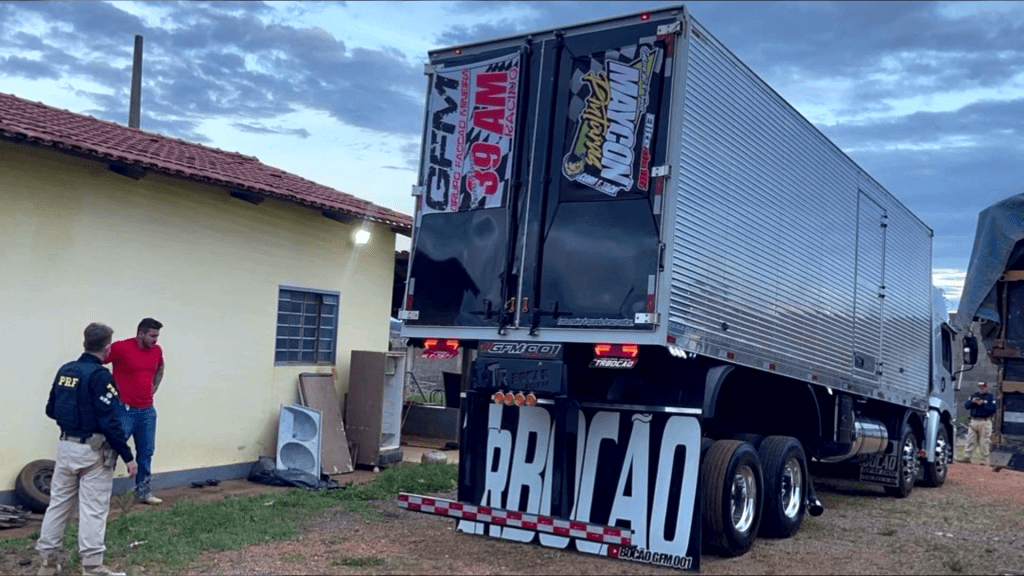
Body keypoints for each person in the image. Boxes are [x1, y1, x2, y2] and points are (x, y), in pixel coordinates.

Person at [36, 322, 137, 576]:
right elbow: (110, 421)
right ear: (107, 347)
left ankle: (47, 563)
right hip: (94, 452)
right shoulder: (100, 376)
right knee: (93, 509)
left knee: (58, 504)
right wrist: (128, 456)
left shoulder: (66, 370)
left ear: (85, 342)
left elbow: (51, 409)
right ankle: (92, 567)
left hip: (66, 446)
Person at [104, 317, 164, 504]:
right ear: (141, 333)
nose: (155, 340)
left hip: (147, 410)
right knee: (112, 449)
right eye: (152, 336)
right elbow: (98, 360)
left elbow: (160, 368)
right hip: (124, 409)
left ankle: (144, 492)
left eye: (157, 336)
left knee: (146, 452)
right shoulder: (121, 347)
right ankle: (101, 492)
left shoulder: (157, 351)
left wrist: (154, 387)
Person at [960, 381, 997, 464]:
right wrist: (972, 401)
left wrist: (983, 403)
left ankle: (984, 459)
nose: (981, 389)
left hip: (985, 421)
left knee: (984, 441)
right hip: (974, 420)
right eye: (980, 387)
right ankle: (967, 457)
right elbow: (966, 406)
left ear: (986, 387)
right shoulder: (974, 395)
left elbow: (993, 409)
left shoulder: (990, 397)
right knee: (970, 439)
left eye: (983, 387)